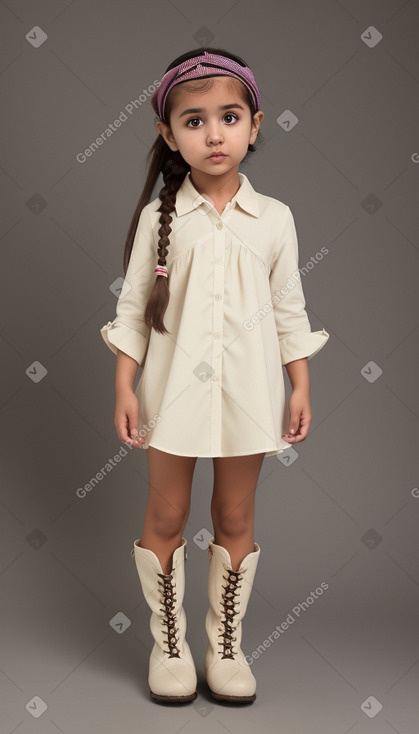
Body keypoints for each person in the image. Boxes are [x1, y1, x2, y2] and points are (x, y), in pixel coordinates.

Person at [100, 47, 330, 705]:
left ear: (255, 124)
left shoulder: (275, 219)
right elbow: (132, 308)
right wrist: (123, 382)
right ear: (168, 135)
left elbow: (289, 308)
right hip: (170, 395)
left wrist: (300, 381)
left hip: (249, 393)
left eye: (228, 117)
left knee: (234, 512)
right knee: (167, 510)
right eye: (194, 121)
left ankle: (224, 645)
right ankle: (167, 644)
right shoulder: (159, 220)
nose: (213, 133)